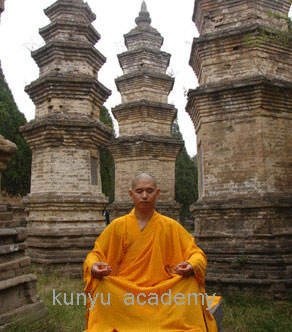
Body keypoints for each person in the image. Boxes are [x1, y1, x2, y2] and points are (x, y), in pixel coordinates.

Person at [83, 173, 219, 332]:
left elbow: (196, 254)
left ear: (157, 193)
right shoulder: (118, 226)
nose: (145, 196)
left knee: (189, 283)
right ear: (131, 194)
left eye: (150, 191)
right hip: (127, 290)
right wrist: (93, 266)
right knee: (102, 285)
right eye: (139, 191)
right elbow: (96, 254)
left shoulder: (170, 226)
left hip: (162, 291)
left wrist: (191, 264)